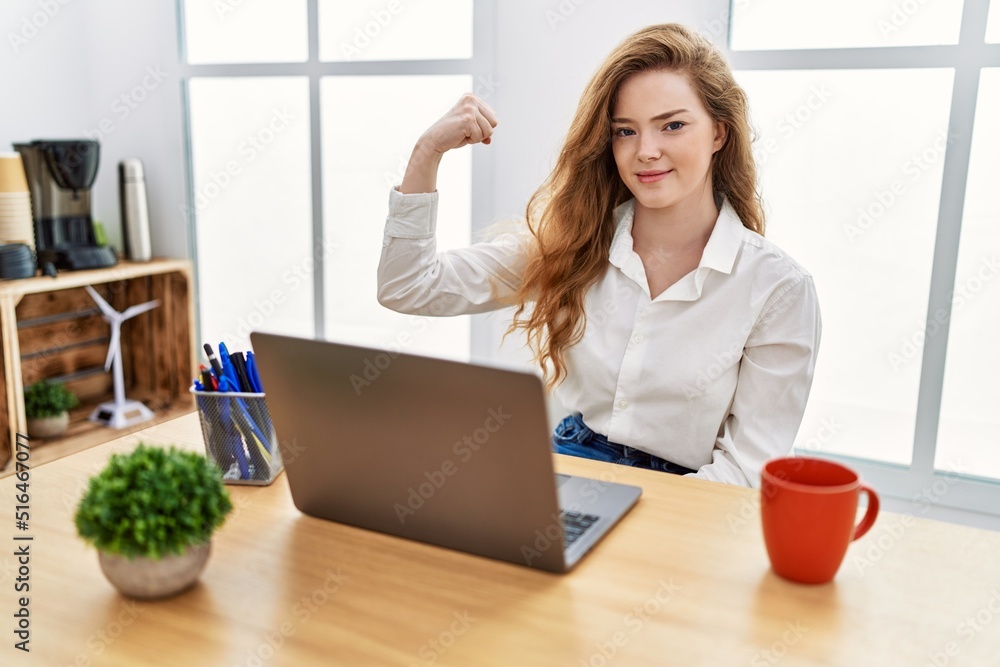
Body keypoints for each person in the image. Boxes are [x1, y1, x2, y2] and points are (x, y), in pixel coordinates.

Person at [377, 23, 821, 488]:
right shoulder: (574, 242)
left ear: (718, 133)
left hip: (693, 496)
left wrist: (643, 520)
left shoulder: (777, 288)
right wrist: (426, 153)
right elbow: (408, 287)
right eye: (625, 132)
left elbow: (749, 468)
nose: (646, 152)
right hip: (567, 469)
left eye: (672, 125)